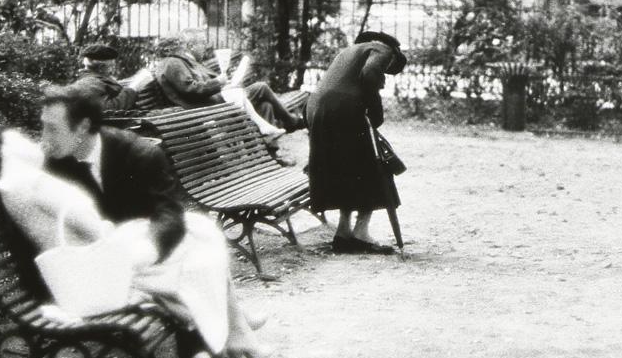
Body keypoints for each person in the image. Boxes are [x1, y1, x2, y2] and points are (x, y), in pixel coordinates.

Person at [0, 87, 267, 358]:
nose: (41, 139)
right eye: (37, 131)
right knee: (190, 265)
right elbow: (56, 235)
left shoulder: (133, 154)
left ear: (82, 128)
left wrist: (145, 247)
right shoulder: (41, 172)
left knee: (193, 241)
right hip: (87, 277)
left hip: (109, 261)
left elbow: (164, 213)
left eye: (50, 128)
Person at [305, 31, 407, 254]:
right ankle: (361, 233)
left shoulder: (350, 51)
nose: (385, 77)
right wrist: (375, 111)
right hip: (343, 110)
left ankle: (343, 233)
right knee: (371, 167)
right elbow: (371, 73)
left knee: (346, 169)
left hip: (317, 108)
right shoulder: (383, 50)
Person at [152, 39, 306, 135]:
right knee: (257, 90)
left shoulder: (175, 62)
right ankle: (285, 124)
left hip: (206, 101)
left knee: (264, 104)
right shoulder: (172, 63)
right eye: (181, 47)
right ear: (173, 49)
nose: (184, 50)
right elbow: (191, 89)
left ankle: (268, 146)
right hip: (201, 106)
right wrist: (219, 83)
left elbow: (193, 85)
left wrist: (222, 83)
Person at [72, 43, 154, 111]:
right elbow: (108, 109)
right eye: (111, 62)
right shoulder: (90, 82)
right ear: (101, 65)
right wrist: (134, 88)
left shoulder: (96, 78)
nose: (113, 65)